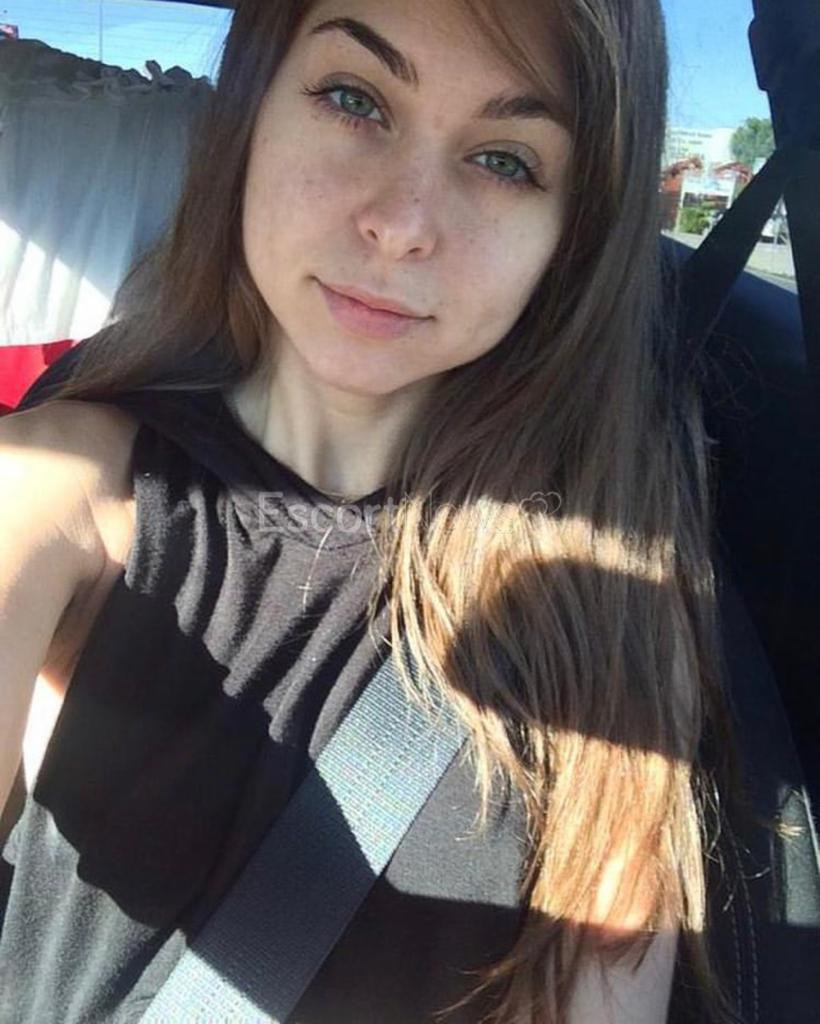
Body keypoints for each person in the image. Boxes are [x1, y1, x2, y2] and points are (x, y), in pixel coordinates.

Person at [0, 1, 809, 1022]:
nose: (402, 223)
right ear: (251, 111)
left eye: (505, 161)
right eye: (354, 99)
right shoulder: (58, 487)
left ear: (571, 237)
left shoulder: (613, 590)